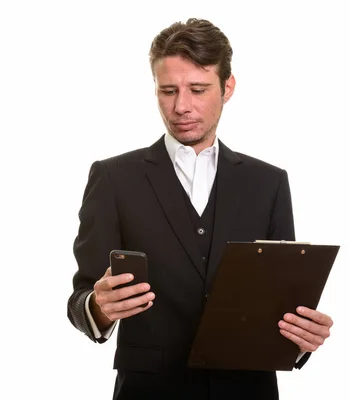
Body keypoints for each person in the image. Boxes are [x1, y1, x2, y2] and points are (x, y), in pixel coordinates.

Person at [67, 18, 333, 400]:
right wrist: (99, 306)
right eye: (168, 90)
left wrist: (302, 338)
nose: (181, 106)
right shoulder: (112, 178)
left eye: (198, 89)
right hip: (149, 392)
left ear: (228, 88)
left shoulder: (269, 182)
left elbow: (281, 303)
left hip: (248, 392)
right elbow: (80, 300)